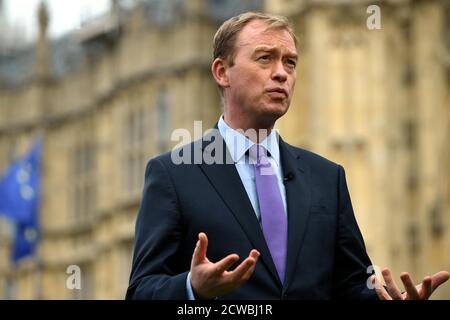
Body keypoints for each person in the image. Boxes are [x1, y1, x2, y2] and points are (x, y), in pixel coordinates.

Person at [126, 12, 449, 300]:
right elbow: (141, 290)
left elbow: (351, 283)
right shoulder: (174, 173)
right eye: (265, 59)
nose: (281, 73)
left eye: (290, 62)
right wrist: (191, 289)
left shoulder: (327, 176)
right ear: (222, 72)